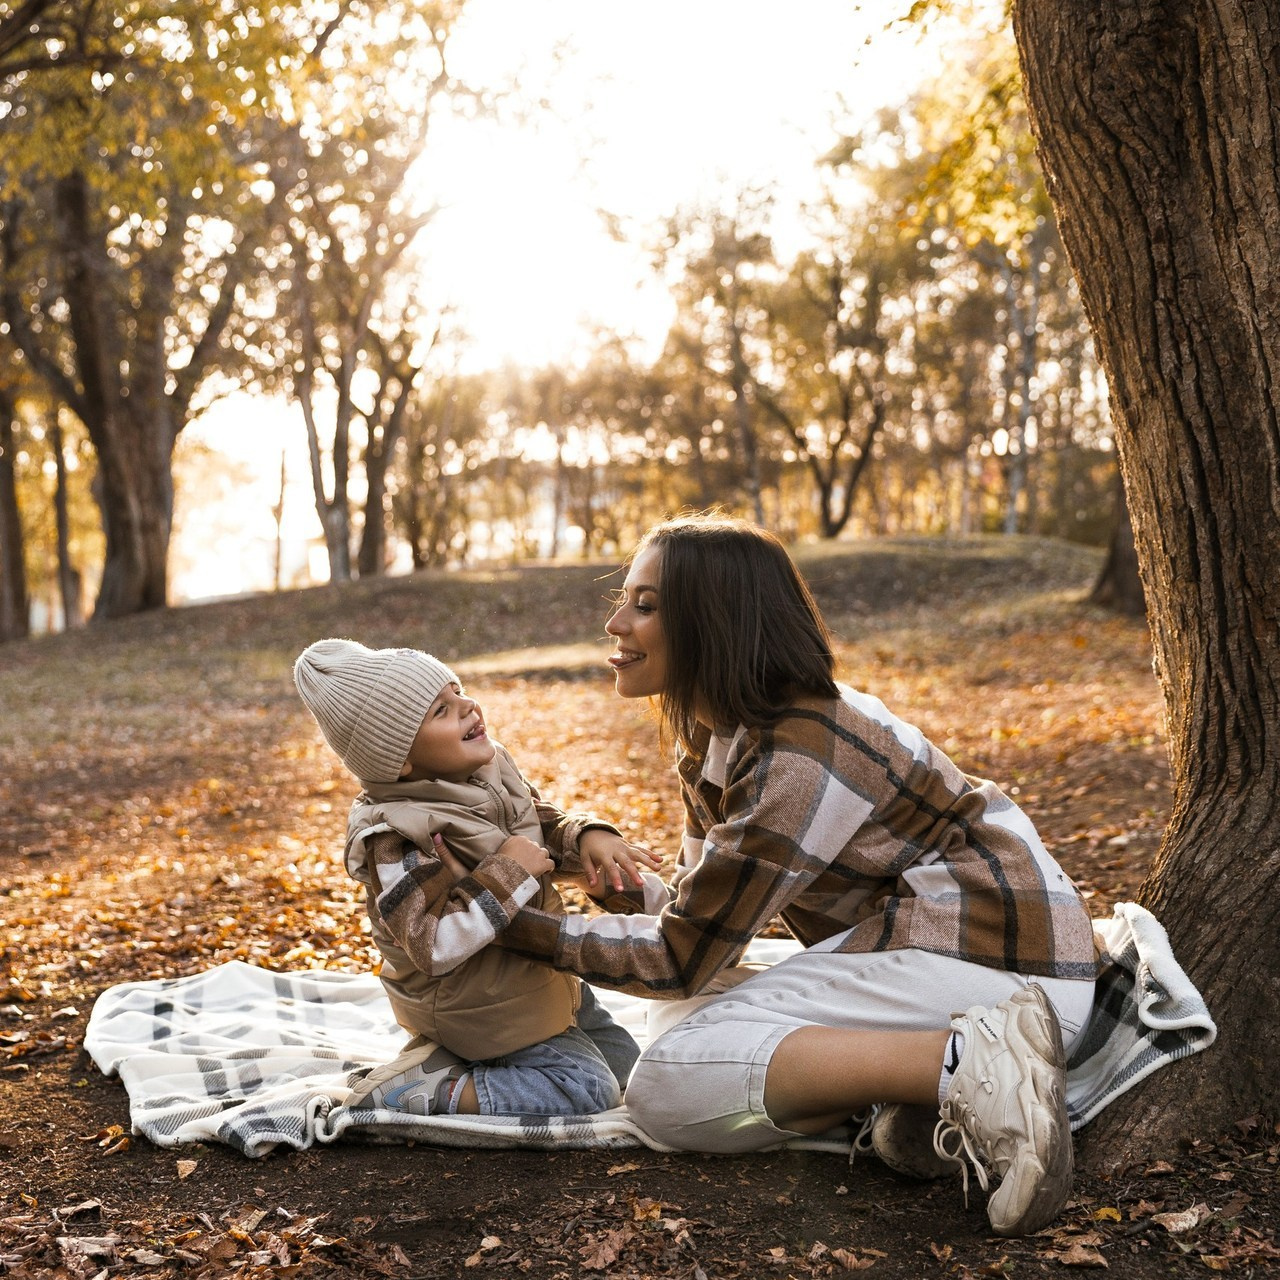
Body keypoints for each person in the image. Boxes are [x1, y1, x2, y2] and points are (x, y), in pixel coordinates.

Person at [438, 513, 1099, 1236]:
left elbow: (678, 958)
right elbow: (701, 931)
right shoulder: (717, 729)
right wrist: (634, 889)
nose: (616, 622)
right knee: (685, 1022)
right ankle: (909, 1091)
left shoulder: (800, 749)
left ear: (714, 621)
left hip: (1004, 964)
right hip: (932, 948)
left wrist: (506, 925)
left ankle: (971, 1065)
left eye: (647, 605)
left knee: (665, 1085)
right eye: (624, 599)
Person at [293, 637, 658, 1119]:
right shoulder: (396, 835)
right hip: (473, 1002)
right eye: (443, 710)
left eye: (459, 692)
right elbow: (432, 944)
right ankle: (432, 1089)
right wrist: (506, 873)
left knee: (634, 1071)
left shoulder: (488, 770)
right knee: (588, 1091)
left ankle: (458, 1065)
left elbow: (537, 826)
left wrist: (585, 837)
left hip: (535, 973)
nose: (468, 706)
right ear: (398, 759)